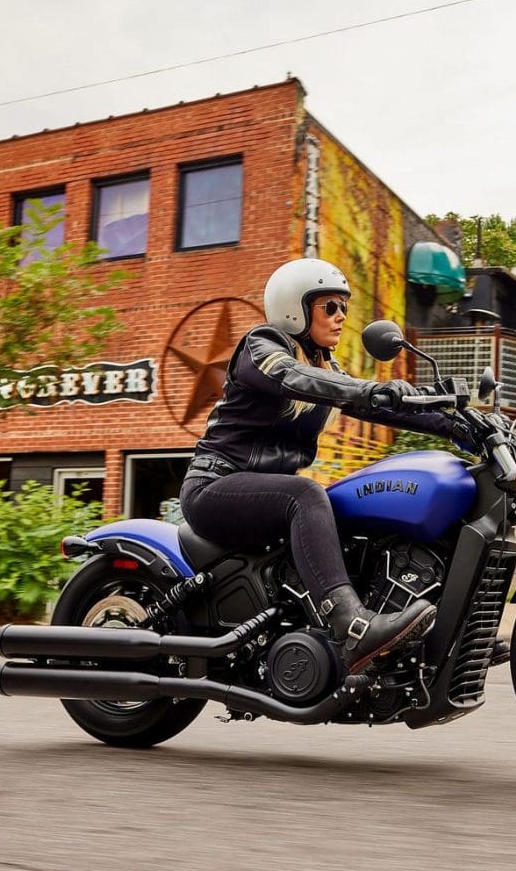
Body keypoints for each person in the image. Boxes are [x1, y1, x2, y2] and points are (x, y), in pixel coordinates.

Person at [179, 258, 475, 674]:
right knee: (307, 494)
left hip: (263, 495)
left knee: (350, 509)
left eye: (343, 308)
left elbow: (380, 407)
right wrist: (373, 390)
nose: (340, 318)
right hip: (216, 486)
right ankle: (351, 625)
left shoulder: (326, 368)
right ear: (294, 309)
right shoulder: (260, 347)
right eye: (329, 307)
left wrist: (459, 424)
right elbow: (295, 378)